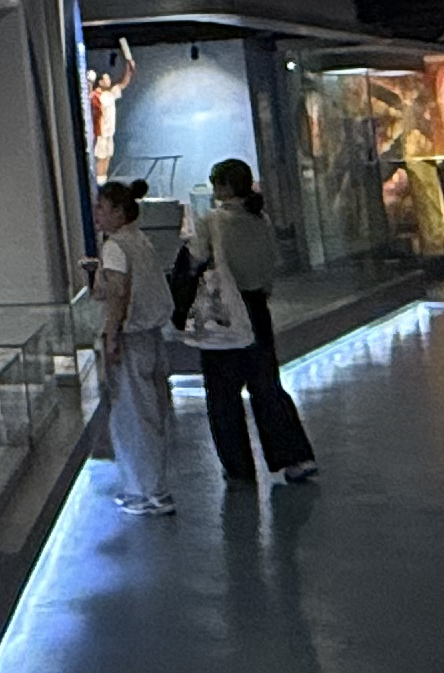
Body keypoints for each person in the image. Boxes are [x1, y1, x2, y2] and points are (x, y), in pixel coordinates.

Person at [192, 158, 317, 486]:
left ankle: (239, 468)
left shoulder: (211, 221)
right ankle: (294, 457)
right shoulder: (260, 218)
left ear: (224, 186)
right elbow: (271, 262)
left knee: (223, 393)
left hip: (224, 312)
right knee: (266, 385)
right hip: (257, 307)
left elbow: (195, 259)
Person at [87, 181, 177, 518]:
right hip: (151, 335)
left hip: (131, 337)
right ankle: (154, 486)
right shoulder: (140, 240)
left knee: (133, 415)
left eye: (102, 207)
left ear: (118, 211)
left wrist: (112, 336)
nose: (97, 214)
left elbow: (118, 294)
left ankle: (143, 490)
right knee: (151, 411)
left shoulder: (115, 247)